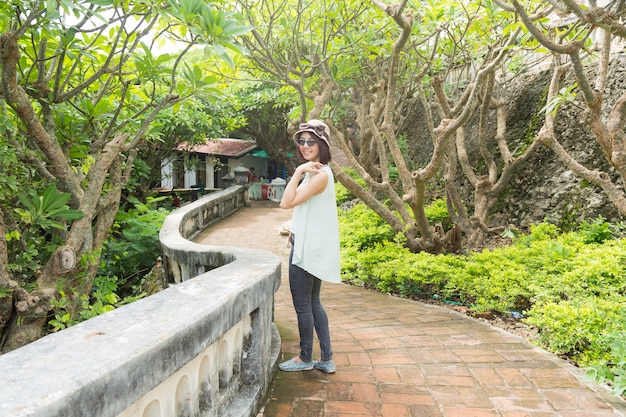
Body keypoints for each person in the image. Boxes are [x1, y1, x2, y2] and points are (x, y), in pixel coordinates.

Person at [278, 119, 341, 374]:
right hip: (312, 245)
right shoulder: (321, 170)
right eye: (302, 141)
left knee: (303, 305)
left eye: (311, 141)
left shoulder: (317, 175)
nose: (305, 146)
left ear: (322, 144)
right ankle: (326, 358)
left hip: (307, 249)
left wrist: (297, 172)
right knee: (314, 303)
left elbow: (286, 202)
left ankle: (305, 357)